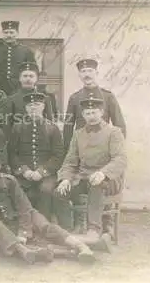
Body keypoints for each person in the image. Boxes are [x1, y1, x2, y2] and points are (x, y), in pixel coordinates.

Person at [0, 150, 96, 263]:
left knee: (48, 228)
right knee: (24, 239)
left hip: (28, 214)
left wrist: (24, 231)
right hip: (7, 221)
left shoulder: (9, 181)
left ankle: (82, 247)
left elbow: (23, 206)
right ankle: (44, 253)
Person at [56, 97, 127, 239]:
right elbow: (70, 161)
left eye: (94, 112)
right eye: (88, 113)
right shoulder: (78, 134)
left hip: (109, 179)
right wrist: (65, 179)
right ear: (83, 115)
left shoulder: (114, 132)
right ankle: (69, 229)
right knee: (59, 192)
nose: (91, 117)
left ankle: (94, 229)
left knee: (96, 185)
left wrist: (103, 173)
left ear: (101, 112)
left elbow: (120, 159)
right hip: (83, 177)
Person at [8, 92, 64, 220]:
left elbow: (58, 155)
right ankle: (24, 225)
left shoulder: (52, 128)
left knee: (46, 190)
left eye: (37, 104)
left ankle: (44, 225)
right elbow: (12, 154)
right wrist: (24, 170)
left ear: (43, 107)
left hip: (46, 174)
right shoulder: (18, 127)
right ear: (26, 108)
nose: (33, 108)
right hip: (23, 174)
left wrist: (42, 171)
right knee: (17, 189)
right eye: (30, 105)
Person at [63, 58, 126, 151]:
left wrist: (115, 147)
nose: (87, 75)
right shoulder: (74, 98)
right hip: (81, 148)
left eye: (90, 71)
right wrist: (69, 150)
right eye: (83, 71)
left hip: (103, 148)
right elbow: (68, 127)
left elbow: (119, 124)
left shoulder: (108, 96)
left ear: (96, 73)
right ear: (79, 75)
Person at [4, 62, 53, 136]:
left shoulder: (45, 99)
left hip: (40, 138)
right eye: (25, 76)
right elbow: (7, 124)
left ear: (36, 79)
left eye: (31, 76)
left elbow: (49, 123)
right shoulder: (11, 100)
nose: (28, 79)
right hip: (19, 139)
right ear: (20, 78)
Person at [0, 21, 36, 95]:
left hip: (19, 89)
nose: (9, 35)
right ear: (2, 34)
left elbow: (33, 71)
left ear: (17, 33)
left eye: (11, 32)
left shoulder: (26, 51)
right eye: (6, 32)